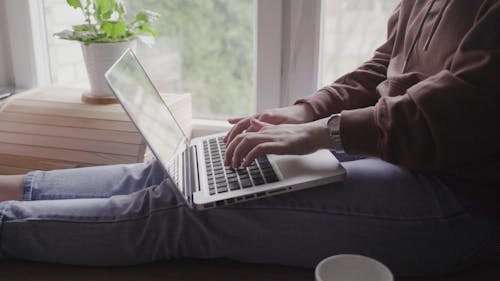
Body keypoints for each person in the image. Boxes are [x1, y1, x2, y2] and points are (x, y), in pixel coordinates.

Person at [0, 0, 499, 276]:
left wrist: (321, 133)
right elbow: (383, 66)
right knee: (186, 165)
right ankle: (8, 187)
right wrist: (303, 111)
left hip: (454, 194)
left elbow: (454, 116)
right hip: (394, 144)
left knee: (188, 211)